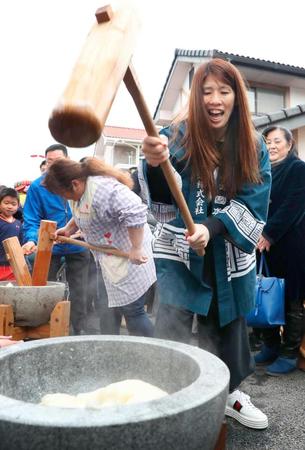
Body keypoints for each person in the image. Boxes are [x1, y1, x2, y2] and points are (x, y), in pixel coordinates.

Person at [141, 58, 271, 430]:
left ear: (237, 98)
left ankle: (230, 393)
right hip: (180, 249)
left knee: (226, 322)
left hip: (226, 250)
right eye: (207, 91)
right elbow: (162, 197)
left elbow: (255, 199)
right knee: (172, 320)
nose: (215, 99)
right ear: (196, 97)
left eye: (224, 91)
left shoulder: (253, 142)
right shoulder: (176, 135)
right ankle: (168, 393)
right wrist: (154, 163)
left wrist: (211, 228)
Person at [43, 157, 156, 337]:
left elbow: (136, 211)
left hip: (129, 256)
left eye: (63, 194)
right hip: (107, 258)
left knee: (133, 311)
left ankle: (154, 354)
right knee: (107, 308)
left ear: (75, 183)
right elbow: (82, 210)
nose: (64, 198)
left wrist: (135, 247)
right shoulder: (79, 191)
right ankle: (110, 350)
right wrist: (68, 229)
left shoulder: (103, 189)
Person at [22, 144, 90, 335]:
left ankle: (79, 329)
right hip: (49, 247)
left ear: (68, 160)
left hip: (78, 245)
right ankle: (46, 329)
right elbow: (31, 219)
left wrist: (83, 230)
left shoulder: (79, 179)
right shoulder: (38, 186)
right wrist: (32, 240)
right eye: (49, 162)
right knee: (47, 289)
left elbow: (87, 209)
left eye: (58, 161)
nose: (53, 166)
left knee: (80, 291)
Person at [255, 126, 305, 375]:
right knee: (265, 291)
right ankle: (270, 345)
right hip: (262, 244)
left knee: (291, 297)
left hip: (291, 244)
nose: (271, 146)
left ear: (289, 144)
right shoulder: (263, 170)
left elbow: (293, 205)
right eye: (268, 141)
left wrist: (269, 234)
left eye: (277, 141)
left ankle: (289, 353)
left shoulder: (298, 168)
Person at [0, 187, 22, 281]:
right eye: (6, 203)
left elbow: (21, 242)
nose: (10, 206)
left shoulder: (18, 223)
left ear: (18, 206)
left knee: (11, 288)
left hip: (13, 266)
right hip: (0, 264)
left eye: (13, 204)